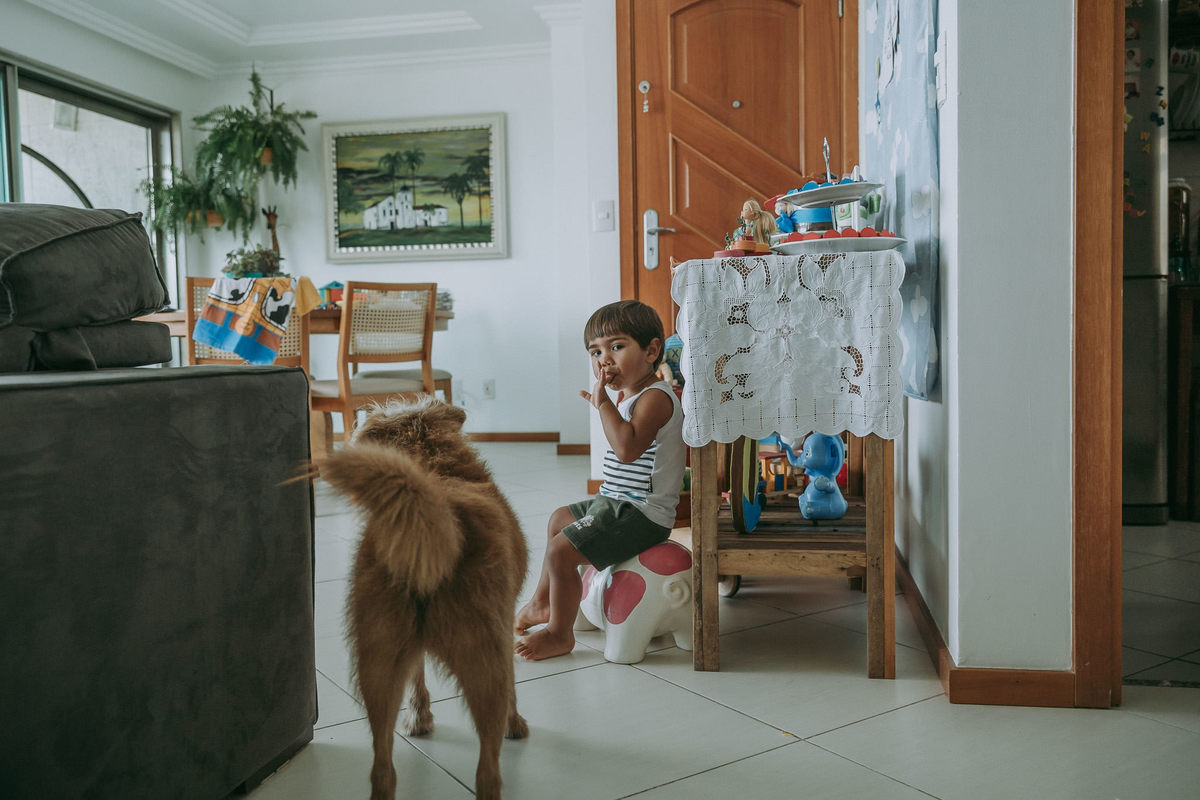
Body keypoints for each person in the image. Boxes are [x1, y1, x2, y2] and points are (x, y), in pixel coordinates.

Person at [514, 300, 685, 661]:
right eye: (596, 351)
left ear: (652, 350)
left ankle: (560, 635)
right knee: (559, 518)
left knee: (561, 551)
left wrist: (604, 404)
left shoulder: (654, 398)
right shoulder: (632, 395)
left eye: (616, 347)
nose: (603, 359)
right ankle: (542, 602)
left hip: (643, 514)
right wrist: (610, 403)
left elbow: (627, 449)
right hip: (618, 501)